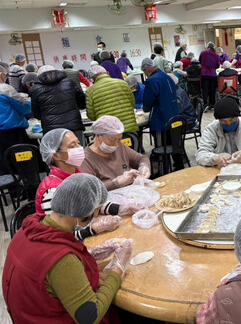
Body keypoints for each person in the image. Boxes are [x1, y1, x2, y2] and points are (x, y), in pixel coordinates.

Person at [3, 173, 133, 324]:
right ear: (86, 213)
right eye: (97, 211)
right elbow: (90, 317)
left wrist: (88, 253)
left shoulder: (27, 230)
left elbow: (45, 268)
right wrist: (119, 268)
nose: (97, 216)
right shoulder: (62, 260)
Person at [36, 128, 143, 238]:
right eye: (72, 146)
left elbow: (92, 202)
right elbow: (59, 234)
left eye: (78, 143)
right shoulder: (51, 191)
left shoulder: (77, 174)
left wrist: (122, 208)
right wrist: (92, 229)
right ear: (56, 155)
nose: (80, 148)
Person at [81, 116, 151, 190]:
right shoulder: (86, 159)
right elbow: (90, 189)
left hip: (132, 193)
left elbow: (141, 158)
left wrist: (144, 166)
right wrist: (116, 183)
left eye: (119, 139)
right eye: (112, 141)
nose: (116, 144)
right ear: (98, 136)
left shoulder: (120, 147)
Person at [196, 97, 241, 167]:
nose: (228, 123)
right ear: (218, 120)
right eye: (224, 121)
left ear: (238, 116)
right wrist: (215, 158)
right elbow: (200, 154)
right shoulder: (211, 129)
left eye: (232, 120)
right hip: (221, 169)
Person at [141, 58, 184, 170]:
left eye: (145, 72)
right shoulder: (167, 77)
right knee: (174, 144)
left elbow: (147, 103)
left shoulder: (151, 81)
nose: (146, 74)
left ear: (147, 70)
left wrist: (145, 108)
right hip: (175, 117)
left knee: (161, 146)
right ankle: (179, 166)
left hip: (161, 120)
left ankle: (163, 169)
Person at [30, 65, 86, 144]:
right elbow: (82, 103)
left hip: (52, 130)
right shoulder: (69, 82)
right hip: (74, 126)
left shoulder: (35, 89)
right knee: (78, 152)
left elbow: (36, 114)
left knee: (58, 154)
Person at [0, 65, 32, 175]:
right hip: (13, 133)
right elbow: (24, 108)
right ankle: (28, 188)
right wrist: (28, 102)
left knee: (5, 165)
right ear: (1, 75)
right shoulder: (4, 89)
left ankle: (13, 190)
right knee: (23, 161)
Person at [86, 65, 138, 133]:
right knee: (134, 143)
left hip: (109, 133)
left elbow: (91, 116)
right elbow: (132, 104)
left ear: (92, 78)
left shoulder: (90, 91)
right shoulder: (123, 83)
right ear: (107, 73)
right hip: (129, 128)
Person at [199, 42, 220, 111]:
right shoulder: (216, 55)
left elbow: (200, 61)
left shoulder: (203, 53)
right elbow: (217, 65)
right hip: (213, 74)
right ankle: (212, 105)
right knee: (212, 90)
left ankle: (205, 105)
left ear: (207, 47)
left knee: (205, 90)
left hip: (204, 73)